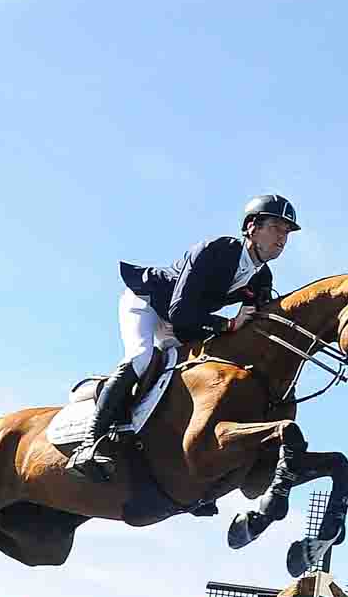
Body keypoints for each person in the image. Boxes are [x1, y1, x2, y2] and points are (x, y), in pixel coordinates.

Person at [69, 194, 301, 481]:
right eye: (277, 228)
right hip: (150, 303)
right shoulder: (216, 250)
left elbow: (256, 328)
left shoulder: (262, 277)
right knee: (142, 357)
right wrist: (229, 324)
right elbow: (180, 313)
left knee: (191, 373)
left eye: (287, 232)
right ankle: (89, 441)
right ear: (252, 227)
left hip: (184, 321)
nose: (283, 238)